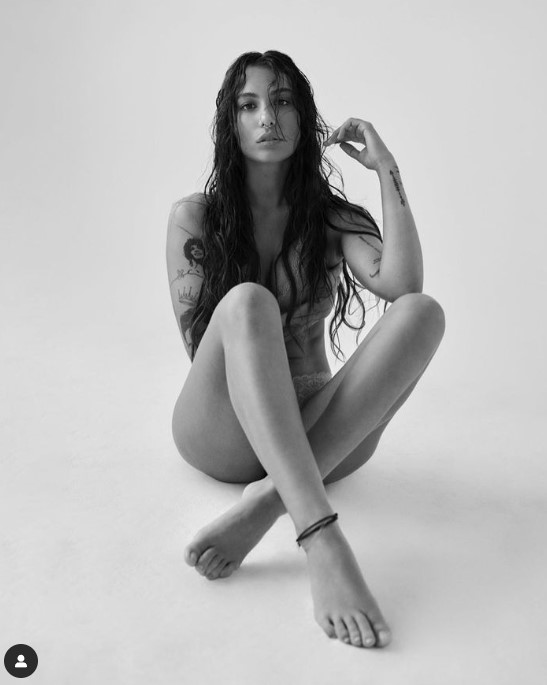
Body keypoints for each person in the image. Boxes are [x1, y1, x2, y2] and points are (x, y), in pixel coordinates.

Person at [166, 50, 445, 649]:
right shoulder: (196, 217)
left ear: (305, 118)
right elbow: (200, 349)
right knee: (248, 302)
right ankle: (321, 538)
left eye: (283, 101)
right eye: (249, 105)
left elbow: (403, 284)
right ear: (231, 124)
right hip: (224, 430)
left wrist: (386, 168)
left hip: (320, 428)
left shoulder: (332, 220)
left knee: (423, 313)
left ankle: (270, 500)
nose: (268, 117)